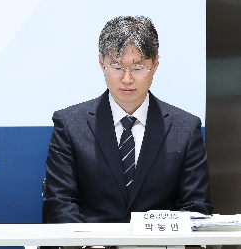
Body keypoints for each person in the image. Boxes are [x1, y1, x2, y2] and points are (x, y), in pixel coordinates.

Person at [43, 16, 212, 223]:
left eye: (138, 68)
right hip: (92, 239)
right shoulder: (70, 125)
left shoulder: (185, 128)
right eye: (116, 67)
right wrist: (89, 241)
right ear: (101, 63)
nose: (127, 79)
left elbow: (196, 207)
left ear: (155, 64)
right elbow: (59, 203)